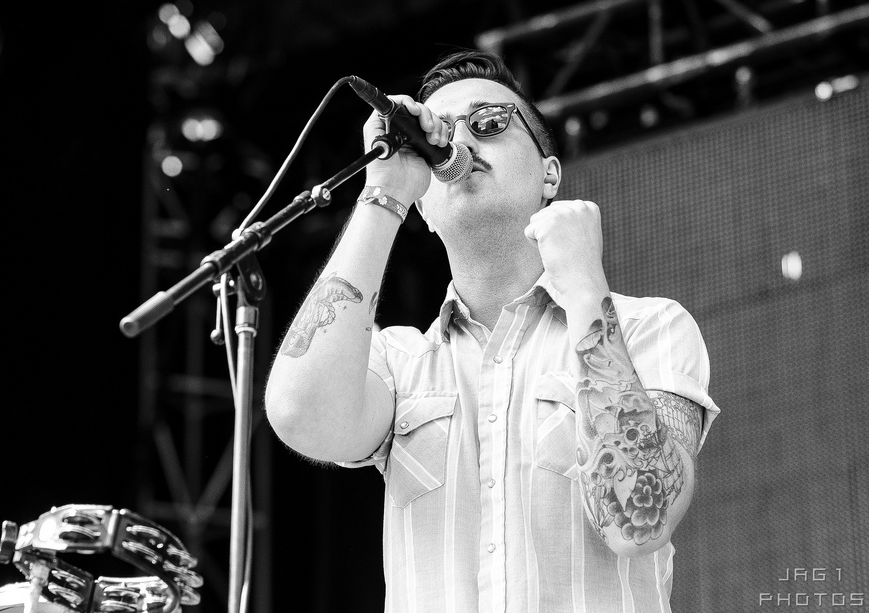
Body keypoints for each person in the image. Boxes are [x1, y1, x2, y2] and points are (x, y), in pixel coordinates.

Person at [264, 48, 719, 613]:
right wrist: (384, 191)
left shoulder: (650, 327)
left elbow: (638, 523)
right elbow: (299, 415)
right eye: (440, 133)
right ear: (424, 210)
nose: (460, 141)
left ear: (549, 175)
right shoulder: (398, 361)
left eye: (489, 123)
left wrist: (585, 288)